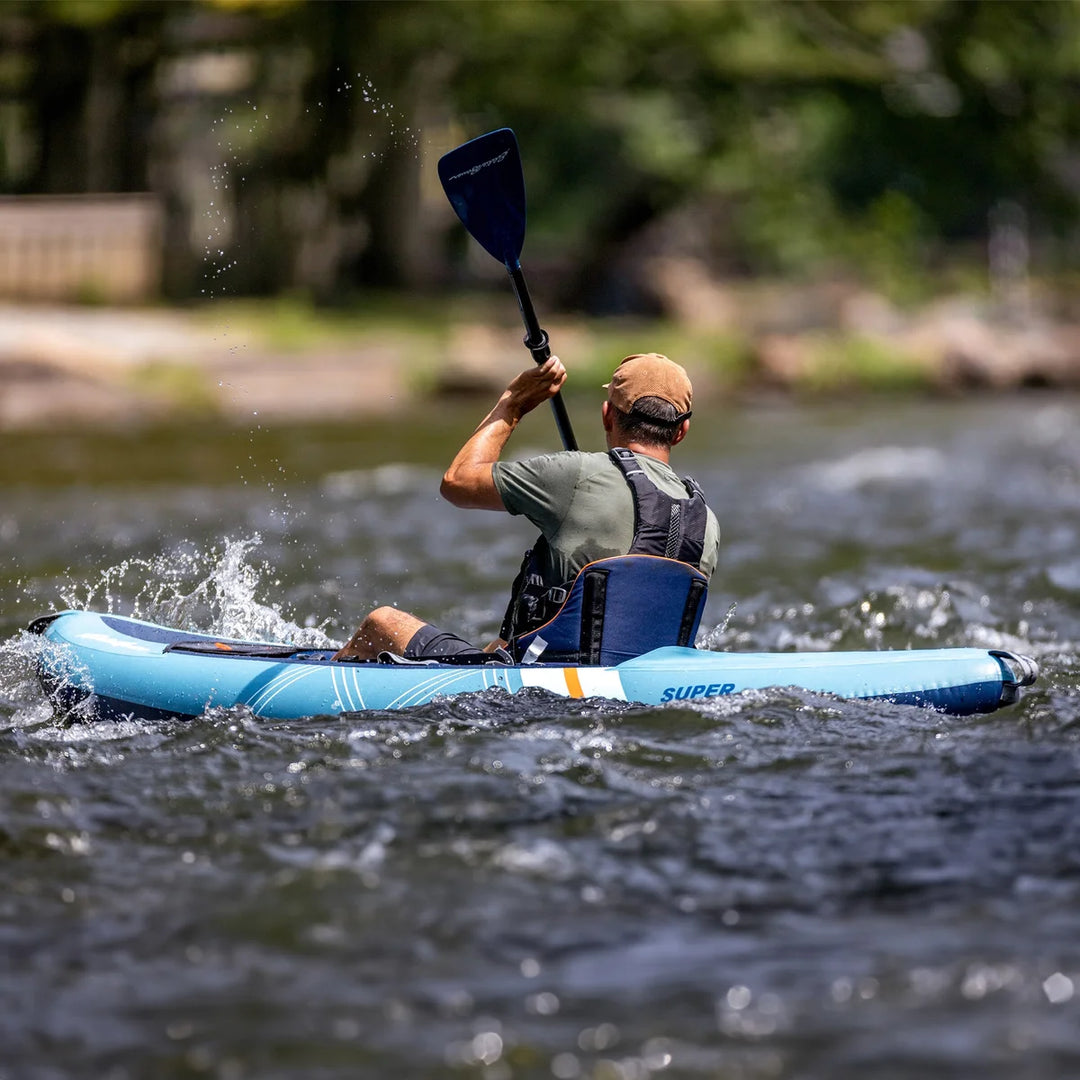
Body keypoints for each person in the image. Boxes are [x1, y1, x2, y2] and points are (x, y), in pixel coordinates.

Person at [332, 352, 721, 663]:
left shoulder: (578, 472)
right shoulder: (707, 522)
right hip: (636, 684)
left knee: (381, 624)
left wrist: (514, 403)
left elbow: (458, 481)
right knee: (494, 646)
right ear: (681, 431)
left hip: (544, 681)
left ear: (607, 415)